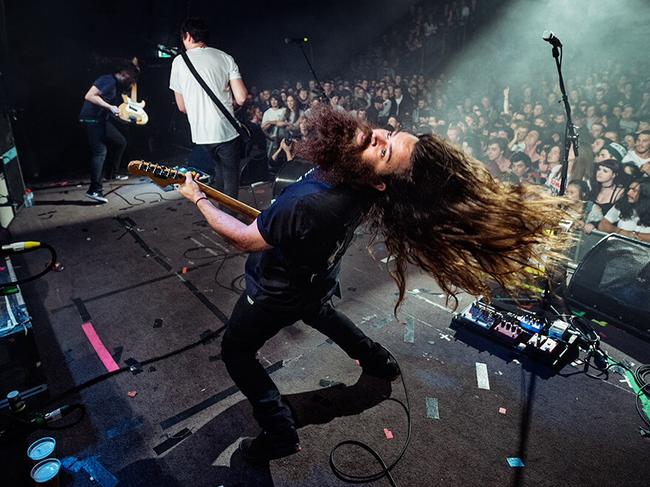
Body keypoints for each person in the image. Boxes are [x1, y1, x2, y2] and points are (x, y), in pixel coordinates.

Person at [178, 106, 569, 463]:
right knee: (318, 311)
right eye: (389, 135)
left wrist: (198, 199)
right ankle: (378, 360)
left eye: (384, 152)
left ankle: (278, 430)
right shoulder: (356, 183)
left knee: (237, 351)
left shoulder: (313, 203)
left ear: (380, 181)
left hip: (274, 292)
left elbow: (246, 239)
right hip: (313, 280)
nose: (378, 137)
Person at [169, 17, 248, 199]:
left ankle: (220, 218)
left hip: (201, 133)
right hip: (225, 130)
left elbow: (181, 106)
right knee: (229, 178)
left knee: (218, 172)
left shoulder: (179, 62)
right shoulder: (225, 57)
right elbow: (242, 98)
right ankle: (228, 221)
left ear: (188, 36)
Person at [79, 61, 139, 203]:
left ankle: (111, 174)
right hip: (91, 120)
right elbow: (89, 96)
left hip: (101, 120)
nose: (131, 82)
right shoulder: (108, 80)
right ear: (124, 73)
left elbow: (108, 105)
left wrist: (118, 114)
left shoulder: (116, 85)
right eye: (130, 78)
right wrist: (110, 107)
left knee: (120, 142)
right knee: (100, 152)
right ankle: (94, 190)